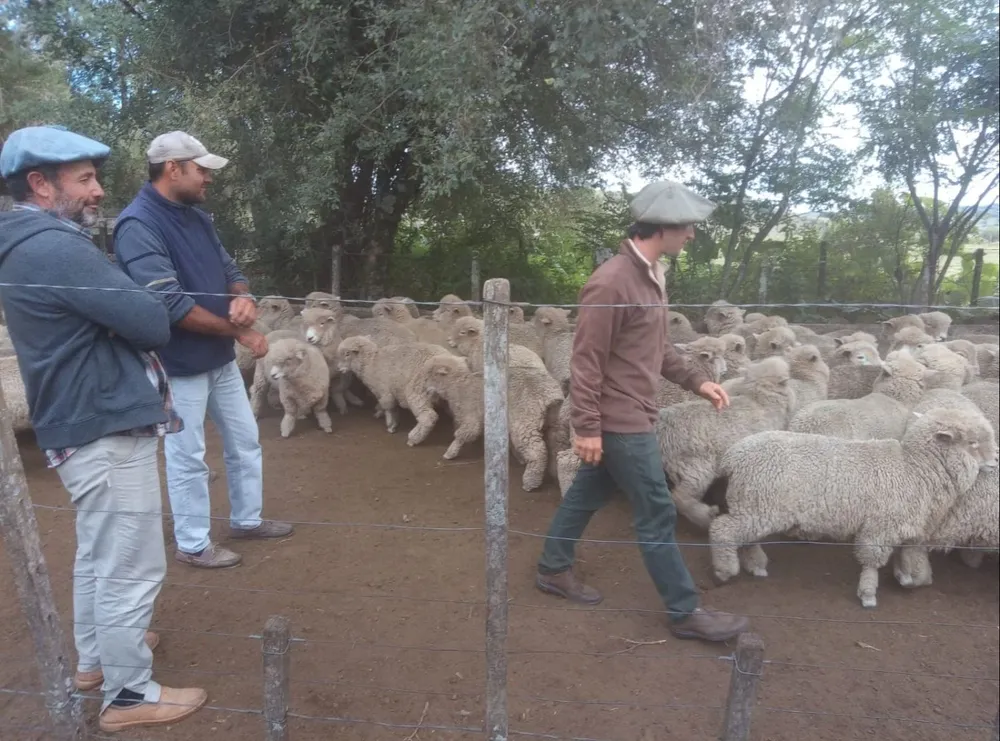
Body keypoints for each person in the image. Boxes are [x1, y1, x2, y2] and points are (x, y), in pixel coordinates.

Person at [0, 125, 207, 730]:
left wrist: (115, 316)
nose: (98, 191)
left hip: (76, 417)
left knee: (99, 551)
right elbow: (149, 320)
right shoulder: (56, 247)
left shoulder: (20, 242)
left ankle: (96, 660)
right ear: (41, 184)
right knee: (132, 563)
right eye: (85, 179)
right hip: (104, 418)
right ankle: (130, 695)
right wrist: (127, 312)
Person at [534, 180, 750, 643]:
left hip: (631, 412)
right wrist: (586, 426)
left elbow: (657, 347)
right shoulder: (611, 282)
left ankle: (552, 568)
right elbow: (586, 359)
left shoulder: (650, 275)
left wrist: (698, 380)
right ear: (664, 227)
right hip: (619, 420)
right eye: (688, 227)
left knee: (585, 494)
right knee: (656, 510)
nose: (692, 234)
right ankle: (685, 610)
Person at [112, 131, 291, 570]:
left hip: (216, 359)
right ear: (173, 168)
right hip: (178, 362)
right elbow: (169, 304)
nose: (208, 178)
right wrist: (239, 332)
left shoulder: (197, 217)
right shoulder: (138, 225)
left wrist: (243, 295)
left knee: (246, 439)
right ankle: (193, 544)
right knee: (188, 454)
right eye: (201, 169)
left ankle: (246, 520)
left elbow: (230, 267)